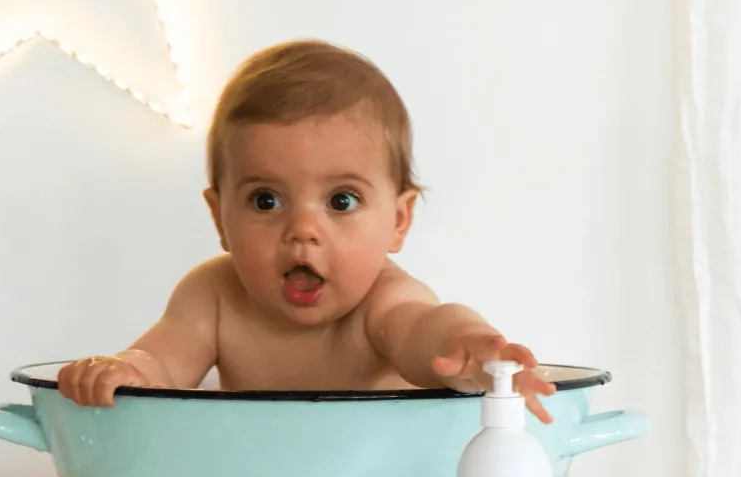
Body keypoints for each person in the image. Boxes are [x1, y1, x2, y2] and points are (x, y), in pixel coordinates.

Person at [58, 39, 556, 422]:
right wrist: (123, 370)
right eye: (265, 200)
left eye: (341, 201)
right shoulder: (213, 297)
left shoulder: (384, 301)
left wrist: (469, 347)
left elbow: (427, 330)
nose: (302, 230)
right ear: (219, 218)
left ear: (398, 221)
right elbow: (160, 362)